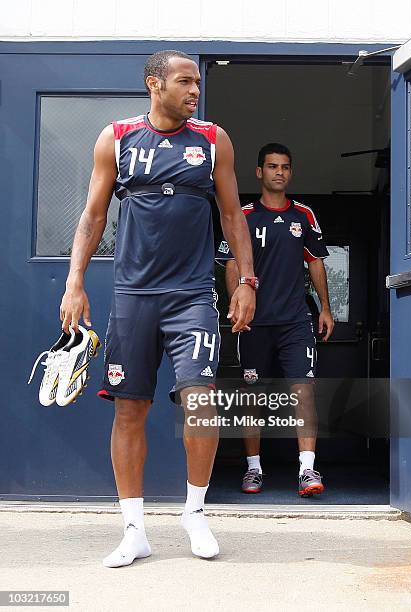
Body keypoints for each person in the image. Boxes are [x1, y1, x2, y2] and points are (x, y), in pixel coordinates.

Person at [59, 50, 256, 567]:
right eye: (185, 82)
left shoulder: (213, 141)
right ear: (154, 84)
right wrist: (74, 282)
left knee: (202, 403)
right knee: (130, 409)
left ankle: (194, 512)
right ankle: (133, 530)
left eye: (197, 82)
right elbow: (92, 216)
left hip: (192, 296)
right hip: (134, 297)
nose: (195, 91)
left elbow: (234, 215)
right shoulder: (117, 138)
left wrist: (246, 281)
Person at [217, 143, 334, 497]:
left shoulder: (304, 215)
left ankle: (307, 470)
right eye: (272, 166)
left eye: (284, 166)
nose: (279, 172)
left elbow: (315, 262)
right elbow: (233, 264)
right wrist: (238, 302)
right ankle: (253, 470)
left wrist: (326, 308)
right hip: (253, 323)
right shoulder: (243, 215)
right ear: (259, 172)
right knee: (253, 396)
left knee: (303, 392)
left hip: (295, 322)